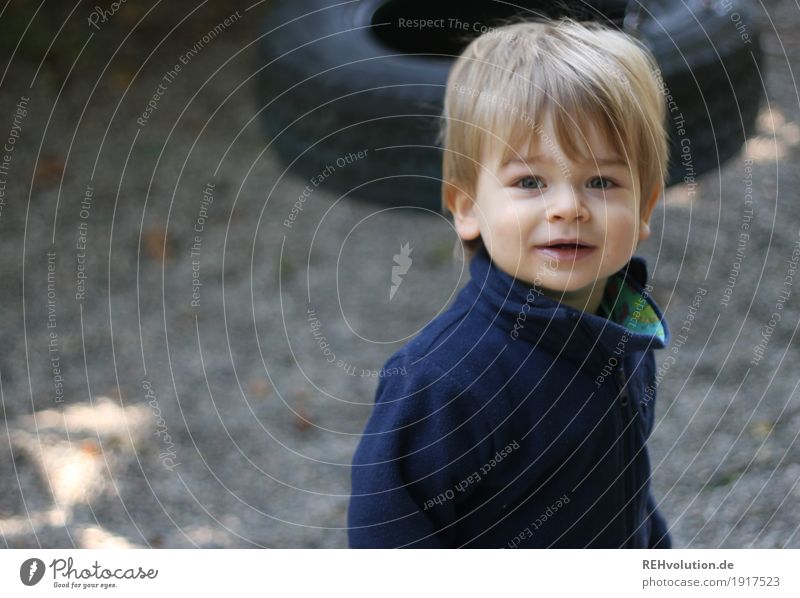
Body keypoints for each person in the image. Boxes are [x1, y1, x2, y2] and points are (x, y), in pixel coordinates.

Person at [348, 18, 672, 548]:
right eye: (529, 182)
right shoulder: (442, 380)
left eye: (601, 181)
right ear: (467, 207)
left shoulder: (627, 332)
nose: (569, 207)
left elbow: (626, 490)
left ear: (644, 208)